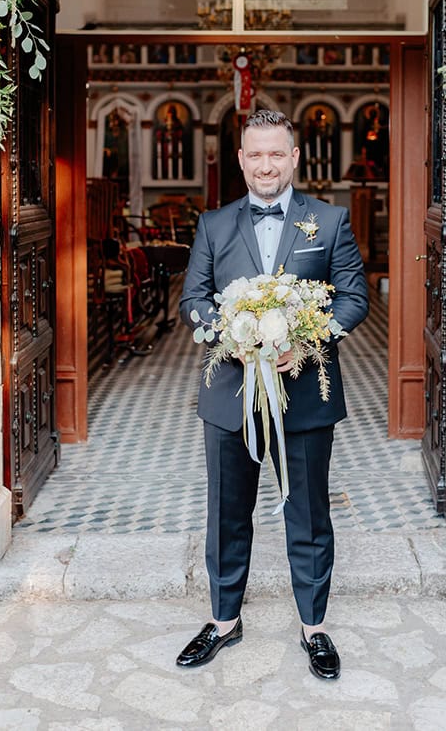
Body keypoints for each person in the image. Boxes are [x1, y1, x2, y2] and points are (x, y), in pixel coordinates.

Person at [177, 109, 369, 679]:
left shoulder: (328, 221)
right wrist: (228, 336)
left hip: (304, 397)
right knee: (226, 515)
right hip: (229, 396)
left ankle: (314, 628)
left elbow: (354, 298)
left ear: (294, 158)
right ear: (241, 159)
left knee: (307, 514)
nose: (266, 166)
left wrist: (309, 340)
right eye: (256, 155)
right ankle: (223, 622)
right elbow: (193, 299)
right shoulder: (214, 224)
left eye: (276, 154)